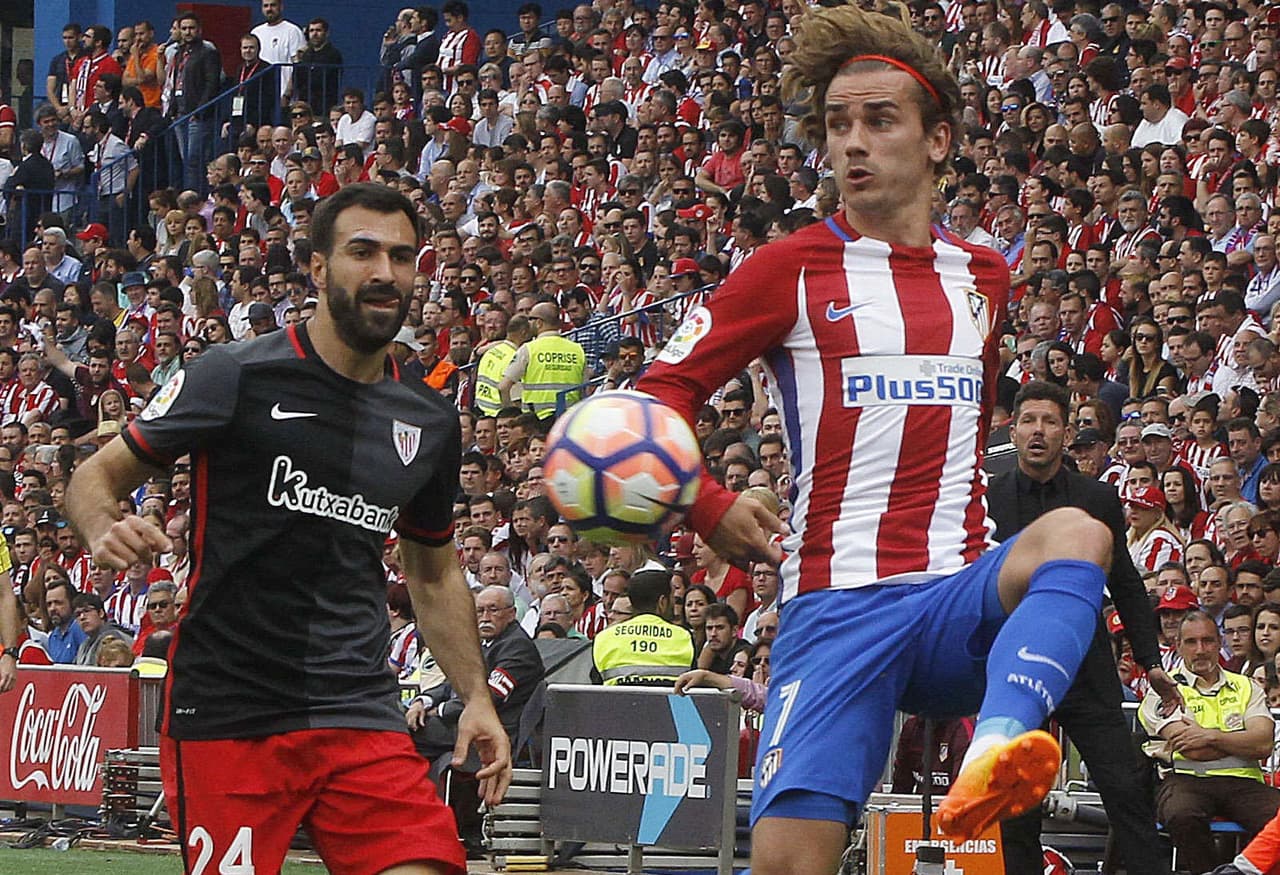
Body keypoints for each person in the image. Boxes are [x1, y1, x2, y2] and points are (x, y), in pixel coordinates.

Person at [637, 8, 1112, 869]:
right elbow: (655, 395)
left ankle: (993, 749)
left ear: (938, 141)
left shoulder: (985, 277)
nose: (852, 143)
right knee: (790, 860)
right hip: (835, 605)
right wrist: (705, 503)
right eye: (835, 125)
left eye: (878, 120)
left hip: (952, 600)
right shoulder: (789, 268)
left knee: (1078, 532)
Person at [65, 183, 510, 875]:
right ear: (318, 267)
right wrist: (101, 527)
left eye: (400, 256)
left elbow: (433, 569)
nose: (384, 272)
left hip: (358, 706)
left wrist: (477, 696)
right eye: (362, 252)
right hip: (230, 710)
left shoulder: (427, 419)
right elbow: (94, 478)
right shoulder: (234, 375)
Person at [986, 380, 1175, 874]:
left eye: (1049, 422)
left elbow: (1127, 583)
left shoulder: (1097, 498)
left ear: (1066, 432)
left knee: (1124, 789)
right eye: (1029, 421)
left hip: (1083, 662)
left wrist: (1150, 661)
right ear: (1014, 428)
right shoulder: (988, 498)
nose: (1038, 432)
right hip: (1013, 664)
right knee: (1016, 805)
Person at [1138, 611, 1280, 875]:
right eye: (1191, 642)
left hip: (1244, 783)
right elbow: (1193, 749)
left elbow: (1263, 744)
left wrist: (1209, 735)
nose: (1200, 650)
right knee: (1183, 815)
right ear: (1178, 646)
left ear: (1219, 643)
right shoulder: (1164, 689)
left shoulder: (1247, 686)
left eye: (1207, 641)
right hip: (1186, 780)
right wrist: (1239, 738)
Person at [592, 569, 695, 686]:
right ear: (662, 602)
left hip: (617, 703)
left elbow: (596, 686)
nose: (674, 603)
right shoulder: (683, 637)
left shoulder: (604, 638)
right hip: (671, 704)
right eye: (672, 597)